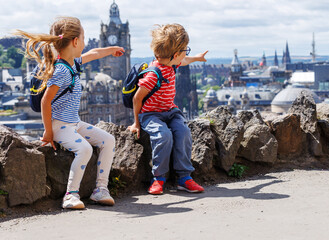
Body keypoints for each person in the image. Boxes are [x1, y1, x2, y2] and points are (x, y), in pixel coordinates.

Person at [14, 16, 124, 209]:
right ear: (75, 41)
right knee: (85, 149)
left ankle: (100, 189)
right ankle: (70, 195)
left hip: (73, 123)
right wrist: (48, 132)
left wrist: (111, 50)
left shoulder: (73, 63)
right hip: (59, 125)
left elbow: (95, 53)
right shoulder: (61, 70)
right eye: (83, 38)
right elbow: (46, 102)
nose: (85, 42)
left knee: (109, 140)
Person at [128, 23, 208, 195]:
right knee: (164, 136)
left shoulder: (172, 63)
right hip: (151, 114)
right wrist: (136, 122)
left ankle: (184, 177)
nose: (186, 53)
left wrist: (197, 58)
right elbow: (137, 98)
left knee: (184, 132)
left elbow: (184, 61)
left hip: (170, 111)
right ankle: (159, 178)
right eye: (186, 50)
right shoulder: (153, 75)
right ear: (176, 54)